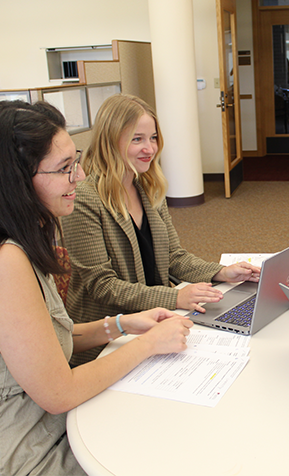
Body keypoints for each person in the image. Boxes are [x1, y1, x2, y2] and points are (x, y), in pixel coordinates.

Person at [0, 100, 193, 475]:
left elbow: (51, 337)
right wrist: (148, 344)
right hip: (33, 444)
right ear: (18, 182)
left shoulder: (26, 240)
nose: (79, 177)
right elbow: (59, 393)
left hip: (53, 421)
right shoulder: (9, 261)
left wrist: (122, 325)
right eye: (64, 169)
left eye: (77, 162)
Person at [62, 94, 260, 365]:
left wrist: (220, 272)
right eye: (137, 139)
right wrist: (175, 296)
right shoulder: (85, 198)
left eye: (153, 137)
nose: (150, 148)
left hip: (155, 321)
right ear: (110, 140)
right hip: (108, 340)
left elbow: (173, 256)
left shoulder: (148, 187)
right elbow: (102, 286)